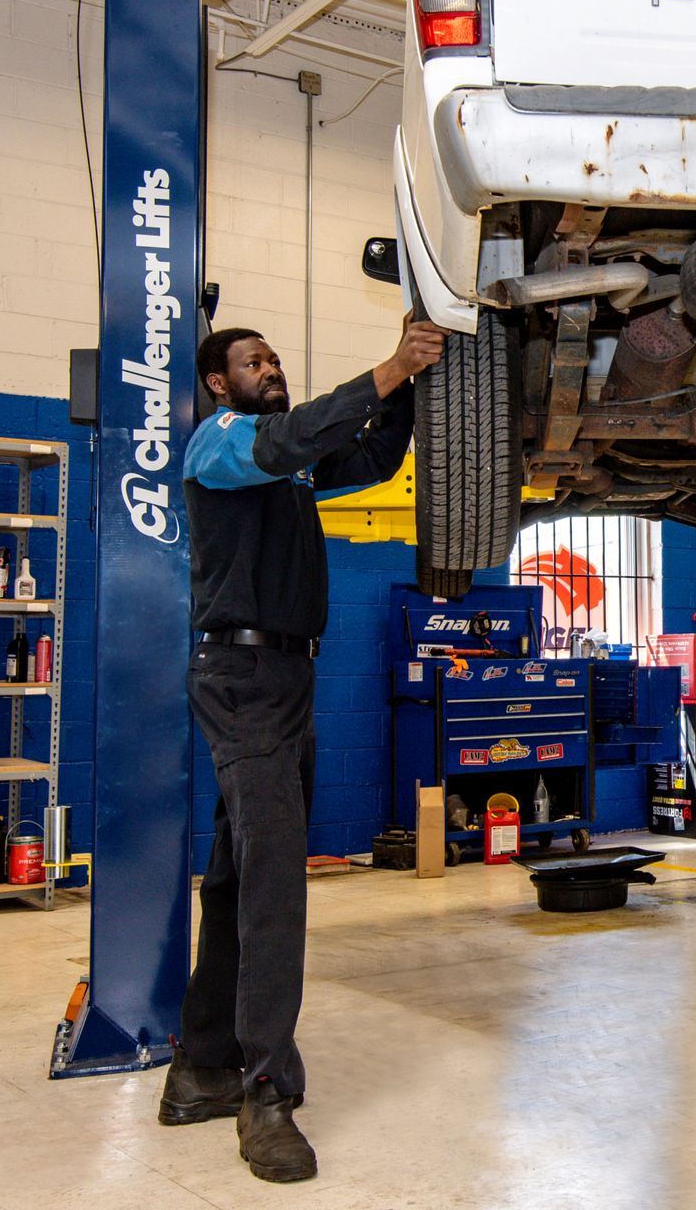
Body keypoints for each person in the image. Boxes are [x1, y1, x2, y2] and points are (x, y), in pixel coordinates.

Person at [156, 318, 447, 1180]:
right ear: (219, 383)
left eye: (276, 358)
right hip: (241, 679)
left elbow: (364, 462)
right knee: (277, 880)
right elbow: (291, 438)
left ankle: (200, 1069)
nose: (271, 368)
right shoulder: (219, 445)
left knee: (240, 875)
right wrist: (388, 367)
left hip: (282, 680)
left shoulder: (279, 472)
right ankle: (265, 1092)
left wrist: (406, 391)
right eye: (254, 362)